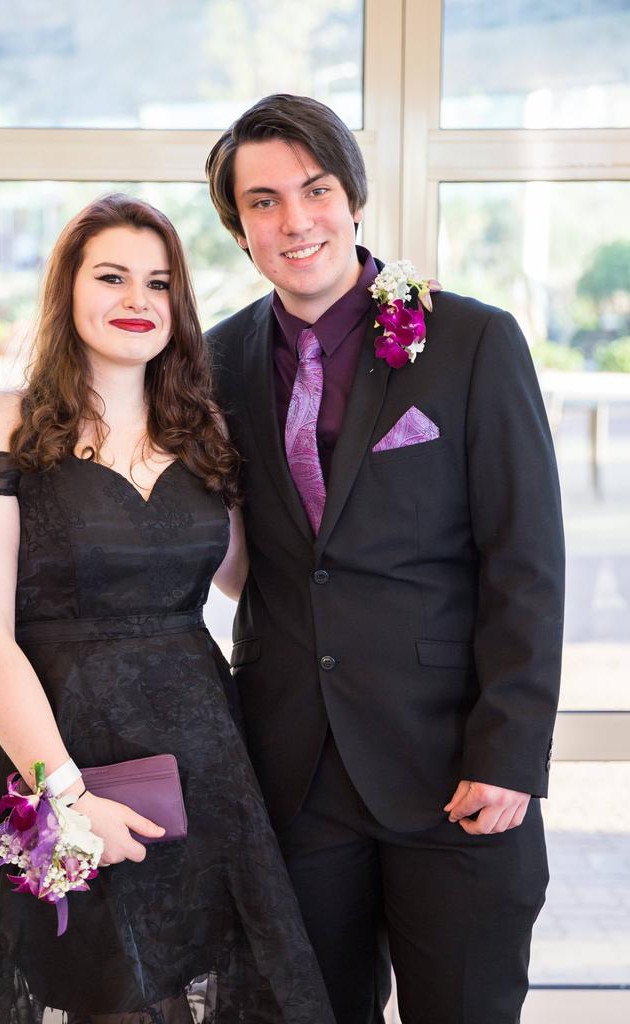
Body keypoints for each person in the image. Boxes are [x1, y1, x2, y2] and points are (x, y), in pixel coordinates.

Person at [0, 193, 336, 1024]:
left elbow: (250, 583)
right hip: (61, 754)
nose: (137, 300)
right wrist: (66, 797)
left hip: (203, 760)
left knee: (198, 990)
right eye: (112, 277)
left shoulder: (202, 429)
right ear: (67, 290)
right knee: (102, 996)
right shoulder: (3, 423)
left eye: (159, 283)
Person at [205, 94, 565, 1024]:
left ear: (354, 198)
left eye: (315, 189)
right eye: (263, 202)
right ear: (239, 228)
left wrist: (512, 751)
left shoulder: (471, 340)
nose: (296, 221)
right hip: (294, 774)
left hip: (452, 765)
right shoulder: (214, 363)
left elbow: (525, 559)